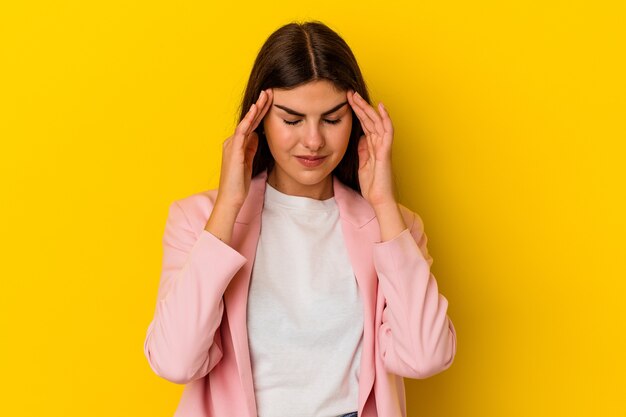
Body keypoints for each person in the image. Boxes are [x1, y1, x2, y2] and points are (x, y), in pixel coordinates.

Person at [143, 20, 457, 417]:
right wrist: (228, 206)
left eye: (332, 119)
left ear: (356, 120)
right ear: (257, 121)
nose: (313, 141)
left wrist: (383, 203)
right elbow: (175, 361)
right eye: (292, 120)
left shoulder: (395, 226)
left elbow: (426, 355)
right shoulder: (198, 220)